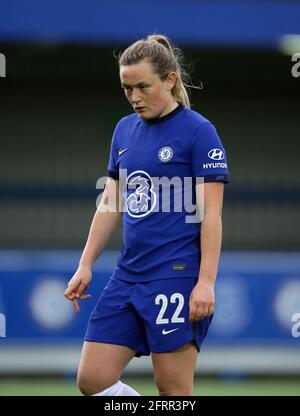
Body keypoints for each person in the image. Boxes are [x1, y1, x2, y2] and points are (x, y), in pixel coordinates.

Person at [64, 34, 229, 396]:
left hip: (176, 277)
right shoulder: (124, 130)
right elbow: (110, 203)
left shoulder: (199, 132)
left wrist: (206, 282)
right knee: (91, 379)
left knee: (172, 389)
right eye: (127, 89)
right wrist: (86, 264)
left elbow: (211, 216)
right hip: (128, 276)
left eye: (143, 87)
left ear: (170, 80)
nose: (134, 97)